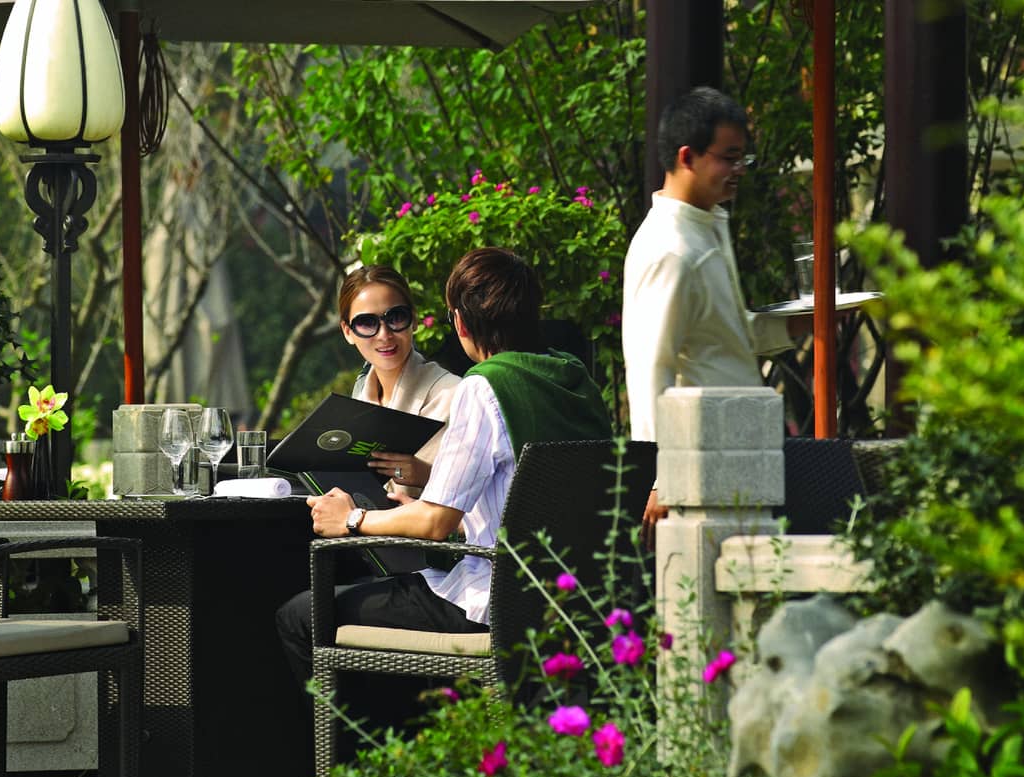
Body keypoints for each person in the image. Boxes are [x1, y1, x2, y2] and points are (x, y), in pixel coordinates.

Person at [276, 247, 611, 691]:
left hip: (493, 601)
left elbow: (436, 522)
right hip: (579, 597)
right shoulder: (574, 379)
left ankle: (363, 759)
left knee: (299, 616)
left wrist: (351, 519)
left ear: (460, 322)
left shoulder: (484, 386)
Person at [622, 86, 809, 545]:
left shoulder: (706, 225)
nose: (737, 171)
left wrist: (796, 325)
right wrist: (661, 475)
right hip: (696, 461)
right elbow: (652, 368)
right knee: (704, 602)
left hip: (737, 448)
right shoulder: (670, 246)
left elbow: (724, 336)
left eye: (742, 158)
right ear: (687, 156)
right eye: (728, 157)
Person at [337, 265, 459, 498]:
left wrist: (427, 474)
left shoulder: (455, 395)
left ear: (413, 319)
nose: (384, 335)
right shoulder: (357, 406)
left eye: (396, 317)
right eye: (366, 323)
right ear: (347, 331)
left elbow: (483, 500)